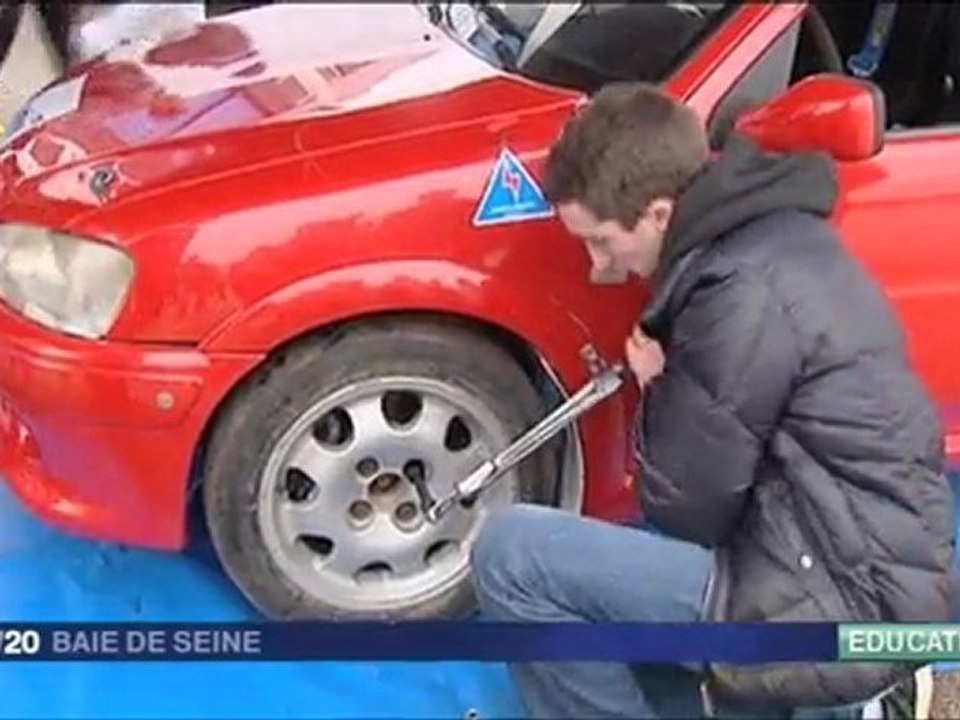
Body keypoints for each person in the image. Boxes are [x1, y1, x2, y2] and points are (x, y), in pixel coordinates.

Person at [469, 82, 956, 719]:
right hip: (859, 572)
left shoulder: (738, 294)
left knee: (512, 555)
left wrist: (659, 387)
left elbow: (683, 510)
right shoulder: (773, 243)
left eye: (602, 241)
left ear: (659, 214)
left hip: (841, 605)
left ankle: (847, 702)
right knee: (615, 648)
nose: (596, 267)